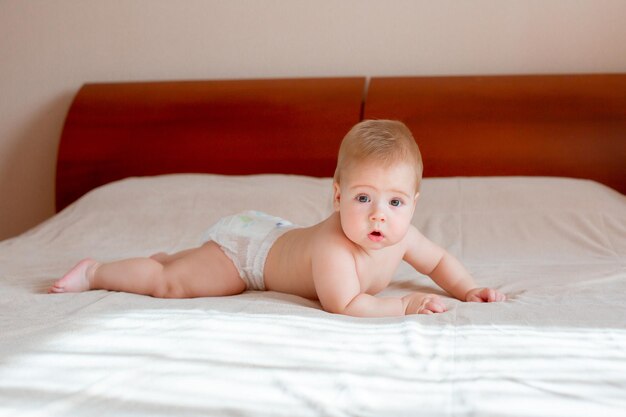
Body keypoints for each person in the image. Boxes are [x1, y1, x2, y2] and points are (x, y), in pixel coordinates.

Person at [49, 120, 506, 317]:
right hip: (248, 256)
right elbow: (346, 305)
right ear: (337, 195)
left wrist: (467, 288)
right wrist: (403, 305)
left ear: (414, 203)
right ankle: (96, 272)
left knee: (183, 266)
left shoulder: (401, 237)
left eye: (395, 203)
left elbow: (439, 261)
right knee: (172, 285)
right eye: (363, 198)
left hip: (277, 235)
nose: (378, 216)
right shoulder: (334, 247)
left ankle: (173, 257)